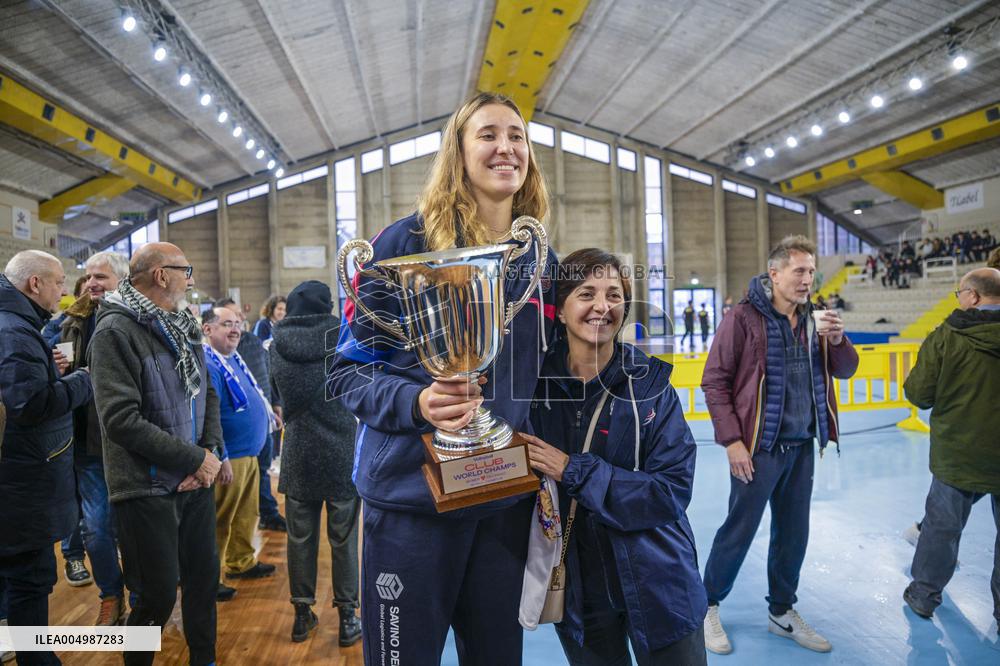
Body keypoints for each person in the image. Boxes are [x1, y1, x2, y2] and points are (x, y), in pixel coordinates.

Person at [328, 91, 557, 665]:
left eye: (517, 136)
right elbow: (348, 372)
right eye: (488, 135)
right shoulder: (402, 244)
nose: (506, 147)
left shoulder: (538, 262)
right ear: (458, 151)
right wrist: (418, 403)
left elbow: (550, 378)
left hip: (501, 500)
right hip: (412, 502)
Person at [525, 248, 707, 665]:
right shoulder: (533, 390)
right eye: (587, 293)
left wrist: (574, 471)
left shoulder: (650, 387)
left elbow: (671, 490)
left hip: (659, 581)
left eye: (614, 295)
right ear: (560, 309)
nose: (602, 306)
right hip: (580, 591)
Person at [700, 235, 859, 655]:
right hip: (758, 449)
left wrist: (839, 341)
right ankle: (706, 605)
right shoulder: (742, 318)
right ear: (774, 273)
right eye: (799, 271)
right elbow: (714, 381)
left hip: (802, 446)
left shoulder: (816, 319)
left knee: (793, 534)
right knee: (739, 531)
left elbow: (845, 371)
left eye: (812, 272)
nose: (808, 279)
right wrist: (732, 441)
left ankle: (782, 612)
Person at [89, 242, 223, 666]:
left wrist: (208, 453)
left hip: (194, 481)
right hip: (146, 487)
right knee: (156, 597)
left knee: (203, 583)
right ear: (162, 275)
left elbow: (207, 392)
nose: (191, 279)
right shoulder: (115, 331)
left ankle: (205, 659)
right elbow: (120, 420)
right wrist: (194, 460)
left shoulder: (183, 324)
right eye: (186, 270)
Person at [0, 250, 93, 666]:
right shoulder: (15, 331)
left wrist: (49, 370)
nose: (63, 290)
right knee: (30, 583)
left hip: (17, 480)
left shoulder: (16, 324)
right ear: (34, 283)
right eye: (58, 282)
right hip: (23, 485)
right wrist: (83, 382)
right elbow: (29, 404)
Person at [901, 267, 1000, 627]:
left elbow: (919, 394)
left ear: (973, 296)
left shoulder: (946, 336)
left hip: (958, 451)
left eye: (959, 293)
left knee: (942, 527)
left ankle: (923, 595)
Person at [270, 281, 362, 646]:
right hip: (341, 449)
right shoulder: (343, 336)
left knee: (299, 539)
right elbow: (358, 389)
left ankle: (301, 615)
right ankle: (348, 618)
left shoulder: (277, 342)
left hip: (299, 451)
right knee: (344, 538)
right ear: (326, 305)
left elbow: (279, 394)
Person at [60, 251, 130, 625]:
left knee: (135, 527)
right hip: (89, 443)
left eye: (100, 277)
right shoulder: (73, 322)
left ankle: (145, 597)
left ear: (122, 280)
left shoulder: (140, 319)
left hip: (133, 443)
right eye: (88, 277)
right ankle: (111, 595)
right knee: (97, 529)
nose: (91, 284)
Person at [202, 306, 277, 602]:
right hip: (230, 457)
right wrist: (222, 456)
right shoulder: (209, 364)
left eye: (237, 323)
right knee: (220, 520)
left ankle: (241, 561)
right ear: (208, 329)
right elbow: (210, 418)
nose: (235, 329)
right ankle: (211, 578)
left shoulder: (232, 358)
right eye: (226, 324)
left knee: (246, 514)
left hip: (249, 453)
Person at [216, 297, 286, 532]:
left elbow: (267, 373)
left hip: (263, 420)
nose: (237, 321)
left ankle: (267, 513)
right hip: (238, 434)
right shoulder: (221, 350)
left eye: (238, 316)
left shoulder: (253, 342)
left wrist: (275, 403)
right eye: (229, 319)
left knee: (262, 471)